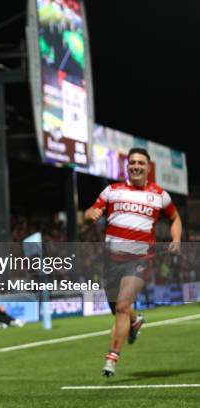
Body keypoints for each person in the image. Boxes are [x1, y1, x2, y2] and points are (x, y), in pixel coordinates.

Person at [84, 147, 182, 377]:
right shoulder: (112, 191)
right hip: (110, 261)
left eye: (140, 162)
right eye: (132, 162)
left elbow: (175, 217)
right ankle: (135, 321)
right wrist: (91, 215)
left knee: (121, 306)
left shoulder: (159, 195)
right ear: (127, 166)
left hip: (139, 260)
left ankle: (111, 359)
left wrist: (176, 239)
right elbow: (90, 211)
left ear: (148, 167)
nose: (136, 166)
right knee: (115, 306)